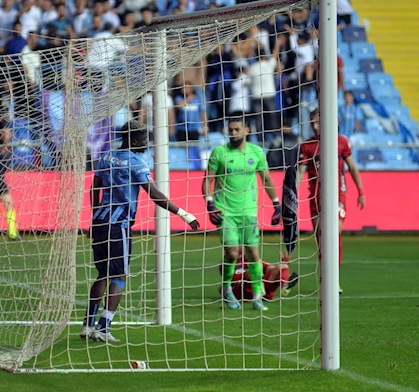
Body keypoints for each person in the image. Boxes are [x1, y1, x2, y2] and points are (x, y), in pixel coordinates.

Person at [83, 120, 199, 343]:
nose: (147, 142)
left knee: (103, 274)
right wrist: (184, 213)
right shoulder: (136, 163)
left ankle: (88, 325)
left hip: (99, 223)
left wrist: (95, 217)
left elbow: (94, 187)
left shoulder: (106, 157)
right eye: (145, 138)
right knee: (119, 275)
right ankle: (103, 327)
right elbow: (154, 194)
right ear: (135, 140)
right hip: (119, 226)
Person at [202, 118, 282, 311]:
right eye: (230, 130)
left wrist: (276, 204)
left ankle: (256, 297)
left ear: (246, 130)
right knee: (233, 252)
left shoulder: (256, 152)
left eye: (237, 129)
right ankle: (227, 289)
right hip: (225, 211)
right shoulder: (220, 152)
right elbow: (207, 180)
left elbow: (267, 179)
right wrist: (210, 204)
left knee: (253, 253)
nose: (233, 133)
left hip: (249, 212)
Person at [297, 109, 365, 279]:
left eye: (318, 122)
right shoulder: (307, 146)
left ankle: (333, 279)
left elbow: (352, 167)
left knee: (334, 234)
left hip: (337, 196)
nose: (314, 126)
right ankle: (325, 278)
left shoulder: (340, 142)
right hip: (316, 197)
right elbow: (300, 172)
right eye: (312, 122)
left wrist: (360, 191)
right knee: (321, 240)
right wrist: (292, 196)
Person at [228, 254, 299, 303]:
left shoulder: (256, 262)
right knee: (252, 271)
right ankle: (259, 287)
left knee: (281, 266)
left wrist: (283, 264)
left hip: (265, 292)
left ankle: (285, 285)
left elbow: (271, 269)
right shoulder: (229, 264)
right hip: (244, 291)